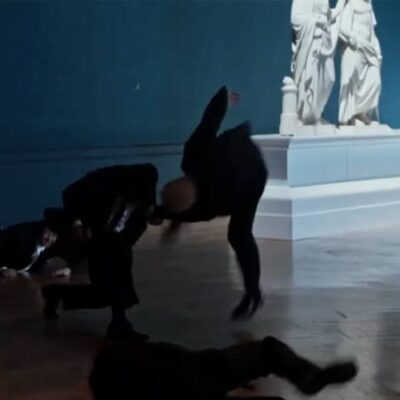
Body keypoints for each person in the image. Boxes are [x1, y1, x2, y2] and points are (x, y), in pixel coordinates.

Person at [155, 86, 268, 319]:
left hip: (251, 176)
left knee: (239, 235)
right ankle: (253, 293)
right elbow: (209, 121)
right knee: (238, 235)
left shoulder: (210, 202)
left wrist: (223, 96)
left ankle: (253, 292)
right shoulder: (192, 156)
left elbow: (184, 212)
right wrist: (222, 97)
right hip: (235, 161)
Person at [41, 163, 158, 340]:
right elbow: (70, 194)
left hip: (120, 241)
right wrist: (78, 223)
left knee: (110, 290)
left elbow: (142, 216)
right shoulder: (102, 181)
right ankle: (118, 325)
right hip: (96, 237)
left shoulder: (145, 188)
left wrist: (147, 218)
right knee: (106, 291)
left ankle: (118, 323)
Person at [89, 335, 358, 400]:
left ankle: (309, 377)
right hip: (202, 370)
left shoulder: (107, 374)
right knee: (269, 350)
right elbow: (171, 352)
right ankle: (308, 377)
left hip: (198, 373)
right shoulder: (114, 359)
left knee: (267, 351)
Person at [291, 0, 346, 124]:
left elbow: (329, 16)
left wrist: (341, 4)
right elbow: (295, 19)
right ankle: (308, 116)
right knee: (312, 78)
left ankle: (316, 114)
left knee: (329, 78)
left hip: (324, 42)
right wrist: (316, 20)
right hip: (312, 42)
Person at [338, 0, 382, 125]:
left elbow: (371, 31)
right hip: (355, 48)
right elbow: (343, 27)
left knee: (375, 81)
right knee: (353, 81)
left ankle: (362, 114)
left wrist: (377, 48)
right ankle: (350, 116)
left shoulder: (369, 6)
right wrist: (354, 38)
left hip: (369, 49)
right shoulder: (351, 4)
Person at [0, 219, 65, 279]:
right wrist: (3, 268)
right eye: (47, 233)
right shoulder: (22, 235)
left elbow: (67, 255)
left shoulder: (54, 244)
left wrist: (68, 269)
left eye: (54, 235)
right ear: (41, 229)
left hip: (24, 277)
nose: (49, 239)